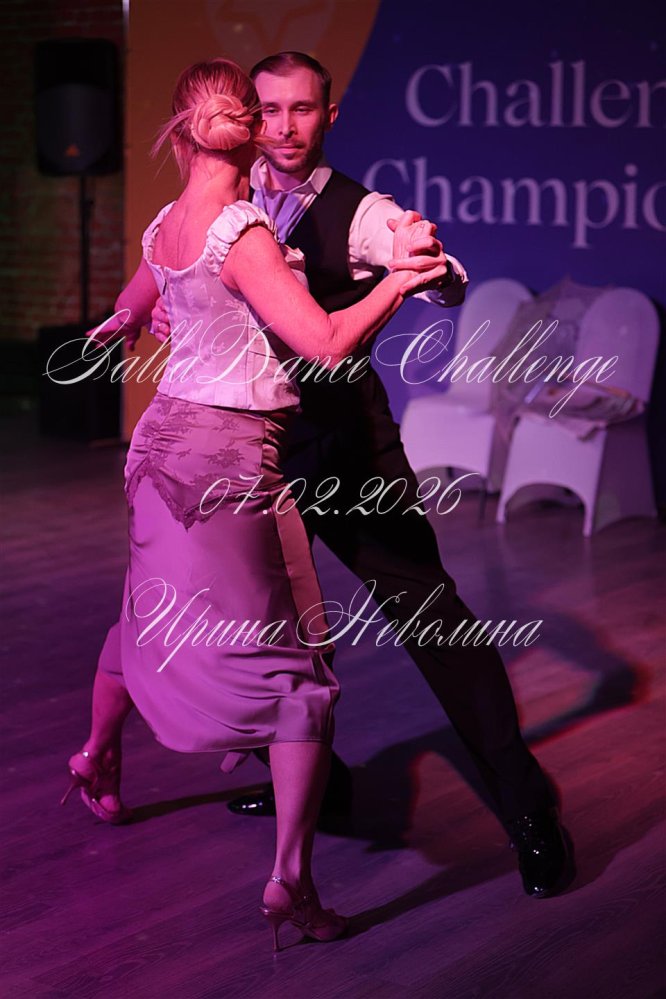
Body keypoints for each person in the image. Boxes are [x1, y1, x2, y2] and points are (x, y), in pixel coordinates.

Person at [77, 52, 573, 900]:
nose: (283, 126)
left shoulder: (359, 210)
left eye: (302, 109)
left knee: (430, 615)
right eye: (267, 109)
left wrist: (423, 261)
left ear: (328, 115)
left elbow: (429, 271)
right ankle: (317, 781)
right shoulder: (216, 206)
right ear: (244, 116)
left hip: (343, 449)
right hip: (246, 456)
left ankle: (527, 806)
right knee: (254, 626)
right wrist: (146, 310)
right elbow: (172, 280)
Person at [62, 57, 443, 949]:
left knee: (148, 611)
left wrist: (129, 317)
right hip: (222, 461)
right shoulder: (241, 233)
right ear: (249, 130)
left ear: (183, 131)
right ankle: (290, 884)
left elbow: (137, 294)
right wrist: (400, 282)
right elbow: (325, 342)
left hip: (158, 447)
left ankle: (95, 752)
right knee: (296, 678)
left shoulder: (168, 219)